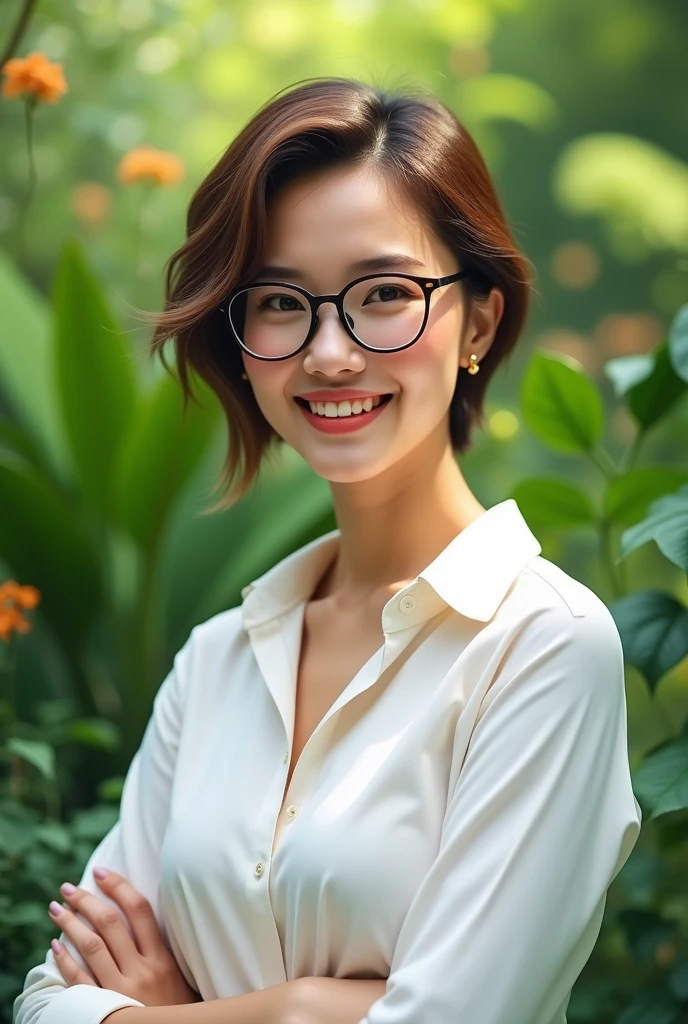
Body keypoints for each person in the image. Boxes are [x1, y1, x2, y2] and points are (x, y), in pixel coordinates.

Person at [14, 77, 642, 1024]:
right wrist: (304, 1007)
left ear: (479, 319)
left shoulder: (544, 648)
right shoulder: (217, 661)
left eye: (384, 292)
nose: (330, 353)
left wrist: (159, 1015)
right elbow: (45, 1002)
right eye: (279, 301)